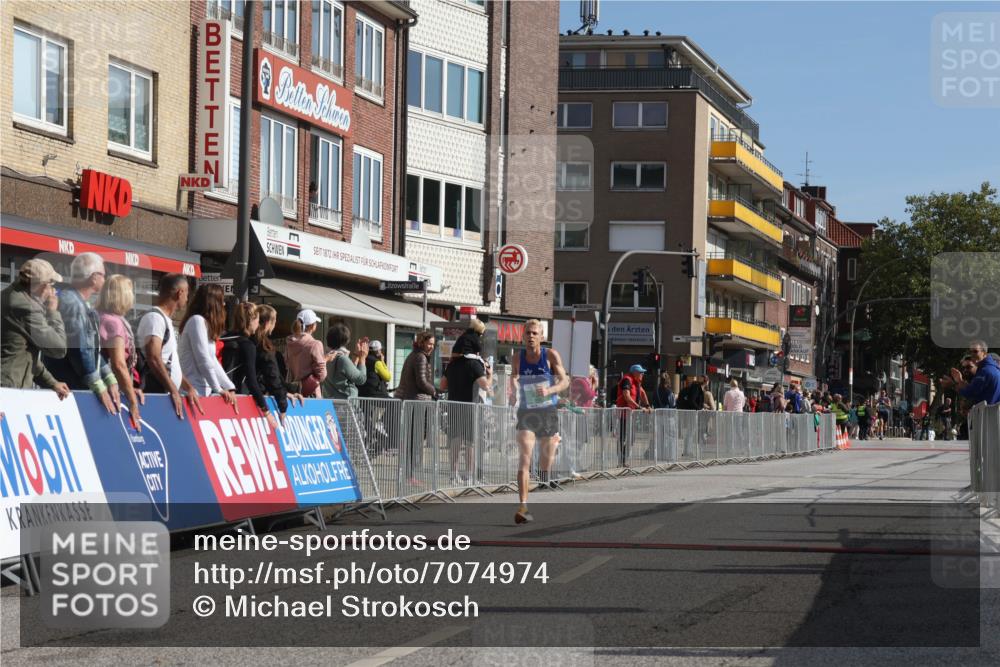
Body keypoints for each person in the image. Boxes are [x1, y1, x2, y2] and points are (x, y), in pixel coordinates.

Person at [44, 252, 119, 413]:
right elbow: (79, 349)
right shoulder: (72, 303)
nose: (105, 279)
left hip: (71, 386)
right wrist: (98, 385)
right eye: (103, 275)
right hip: (69, 389)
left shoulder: (79, 302)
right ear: (93, 277)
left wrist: (108, 377)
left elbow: (91, 348)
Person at [511, 319, 569, 524]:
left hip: (547, 412)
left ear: (542, 337)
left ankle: (546, 464)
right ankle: (523, 507)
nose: (531, 336)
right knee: (524, 458)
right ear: (523, 336)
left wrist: (550, 390)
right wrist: (513, 389)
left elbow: (565, 381)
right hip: (526, 413)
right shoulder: (517, 357)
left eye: (535, 333)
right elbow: (514, 377)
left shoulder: (550, 355)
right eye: (528, 333)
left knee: (545, 466)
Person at [1, 258, 69, 398]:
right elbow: (59, 348)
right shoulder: (26, 308)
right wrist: (52, 312)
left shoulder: (10, 295)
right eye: (51, 284)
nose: (53, 290)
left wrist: (52, 382)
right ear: (43, 286)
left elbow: (23, 354)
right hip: (8, 390)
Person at [136, 273, 201, 419]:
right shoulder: (155, 318)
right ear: (180, 293)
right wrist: (173, 390)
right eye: (187, 294)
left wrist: (188, 387)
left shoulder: (165, 320)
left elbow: (170, 362)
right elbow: (154, 358)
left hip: (166, 394)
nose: (187, 298)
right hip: (156, 396)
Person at [443, 332, 492, 486]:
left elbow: (442, 385)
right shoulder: (474, 364)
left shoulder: (452, 364)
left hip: (453, 406)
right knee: (470, 442)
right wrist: (489, 374)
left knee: (455, 441)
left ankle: (453, 475)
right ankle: (469, 475)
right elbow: (486, 386)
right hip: (471, 407)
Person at [178, 284, 238, 409]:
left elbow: (212, 360)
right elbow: (203, 358)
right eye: (222, 301)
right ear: (213, 303)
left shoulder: (204, 324)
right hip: (191, 392)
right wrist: (218, 388)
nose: (224, 305)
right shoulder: (196, 321)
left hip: (203, 391)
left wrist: (229, 386)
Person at [97, 275, 144, 428]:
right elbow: (118, 364)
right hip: (110, 392)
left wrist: (129, 388)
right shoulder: (113, 322)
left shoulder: (100, 315)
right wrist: (132, 400)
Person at [221, 302, 276, 428]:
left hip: (216, 392)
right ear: (251, 320)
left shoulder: (225, 337)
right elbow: (251, 381)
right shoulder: (248, 345)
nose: (258, 324)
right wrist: (266, 411)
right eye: (257, 320)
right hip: (235, 398)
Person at [396, 330, 439, 485]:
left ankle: (409, 474)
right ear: (421, 342)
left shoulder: (413, 355)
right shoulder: (420, 357)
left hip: (412, 400)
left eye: (433, 344)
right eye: (429, 343)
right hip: (417, 401)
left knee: (413, 439)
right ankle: (409, 475)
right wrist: (434, 391)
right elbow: (421, 381)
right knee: (415, 439)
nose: (431, 347)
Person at [252, 304, 301, 425]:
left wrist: (285, 392)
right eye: (274, 321)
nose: (275, 325)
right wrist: (283, 405)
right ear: (268, 323)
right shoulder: (265, 346)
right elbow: (272, 376)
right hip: (257, 401)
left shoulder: (249, 340)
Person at [940, 340, 1000, 407]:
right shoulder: (992, 368)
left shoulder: (985, 371)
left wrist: (952, 385)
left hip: (987, 412)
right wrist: (960, 381)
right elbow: (973, 388)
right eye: (970, 352)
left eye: (975, 351)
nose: (972, 354)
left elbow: (970, 393)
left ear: (984, 353)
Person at [285, 309, 329, 399]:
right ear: (312, 326)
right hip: (310, 393)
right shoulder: (315, 344)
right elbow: (322, 374)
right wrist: (326, 360)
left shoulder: (290, 344)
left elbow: (287, 364)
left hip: (293, 391)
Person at [615, 364, 652, 468]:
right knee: (622, 438)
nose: (642, 374)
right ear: (634, 373)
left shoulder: (636, 382)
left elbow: (643, 393)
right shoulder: (627, 380)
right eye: (641, 372)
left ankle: (624, 459)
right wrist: (640, 407)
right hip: (623, 414)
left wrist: (647, 405)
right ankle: (621, 461)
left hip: (631, 415)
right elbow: (626, 396)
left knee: (631, 438)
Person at [322, 323, 368, 400]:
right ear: (346, 340)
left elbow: (349, 373)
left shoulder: (327, 356)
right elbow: (361, 379)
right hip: (345, 402)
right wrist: (362, 358)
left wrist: (356, 354)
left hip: (330, 400)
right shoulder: (342, 358)